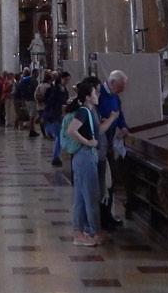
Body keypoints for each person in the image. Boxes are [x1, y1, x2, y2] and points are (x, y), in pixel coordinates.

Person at [65, 77, 103, 247]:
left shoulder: (89, 111)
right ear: (88, 97)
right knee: (90, 195)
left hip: (85, 156)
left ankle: (79, 232)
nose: (97, 95)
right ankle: (93, 231)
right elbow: (71, 130)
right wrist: (88, 142)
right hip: (85, 156)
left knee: (81, 196)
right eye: (95, 93)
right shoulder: (84, 111)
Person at [96, 70, 128, 230]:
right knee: (103, 182)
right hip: (100, 144)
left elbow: (119, 113)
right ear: (113, 83)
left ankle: (108, 215)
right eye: (121, 87)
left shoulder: (115, 96)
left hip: (110, 143)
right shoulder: (99, 94)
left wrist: (123, 126)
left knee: (111, 181)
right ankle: (102, 218)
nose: (122, 90)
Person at [45, 70, 70, 166]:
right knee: (59, 136)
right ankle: (56, 157)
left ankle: (57, 156)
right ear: (62, 79)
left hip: (60, 114)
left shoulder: (63, 89)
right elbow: (51, 102)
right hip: (55, 114)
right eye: (66, 79)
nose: (67, 82)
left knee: (59, 136)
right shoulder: (56, 89)